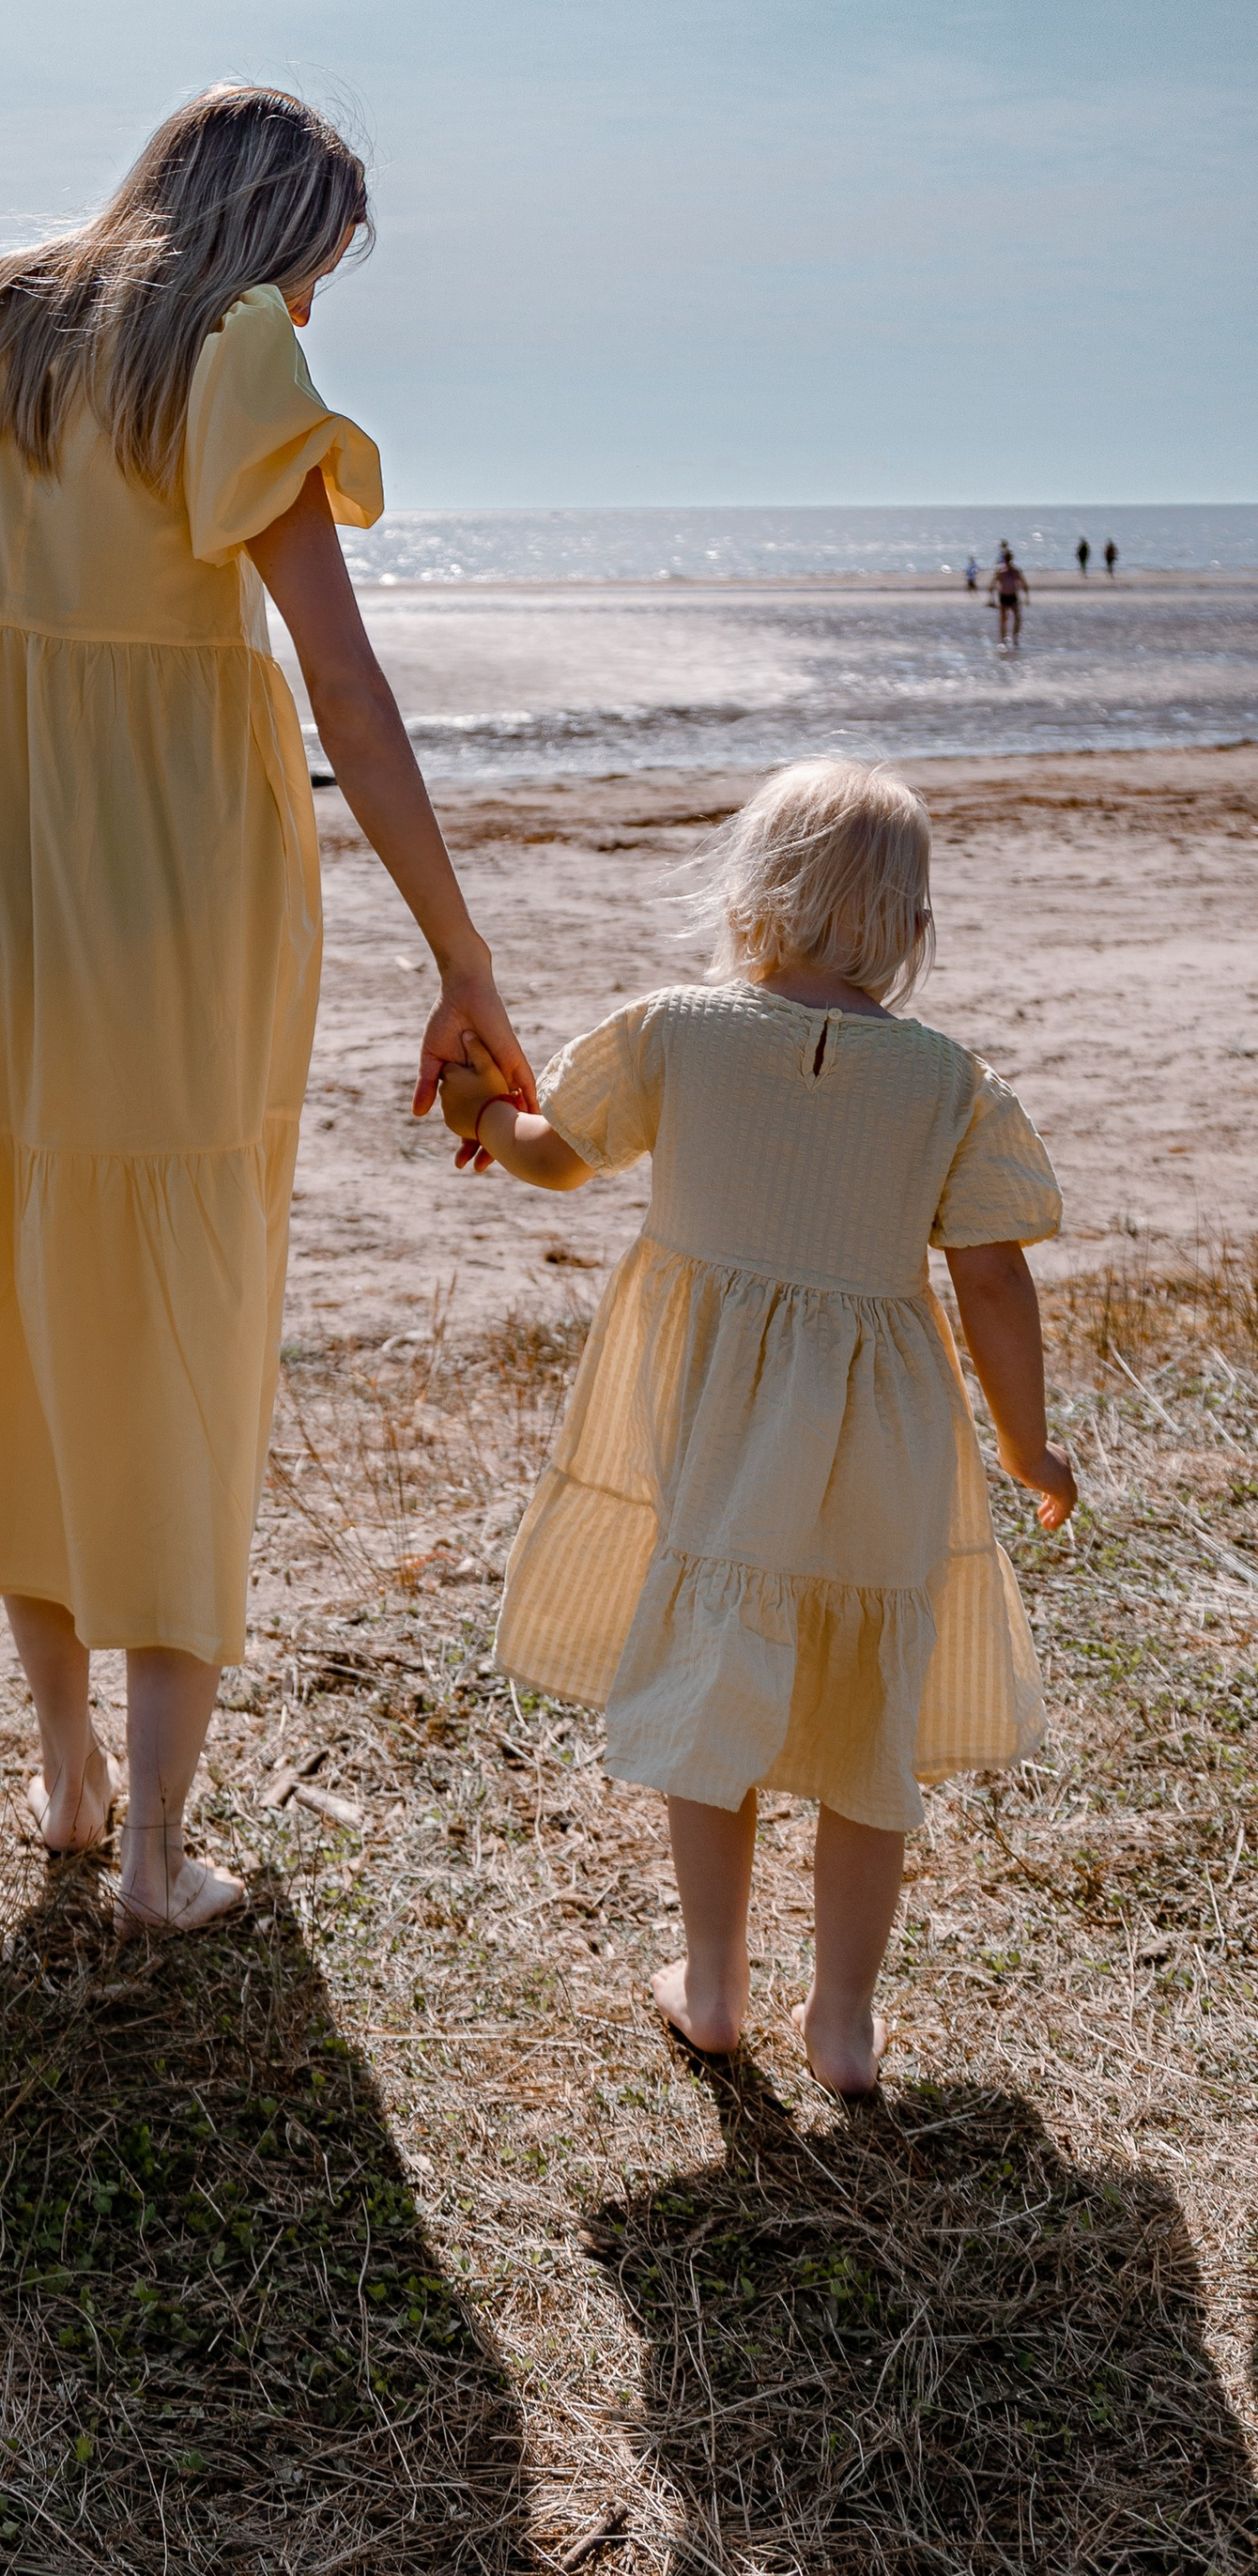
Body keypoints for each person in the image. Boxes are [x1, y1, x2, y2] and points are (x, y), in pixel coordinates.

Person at [0, 85, 534, 1930]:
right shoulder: (225, 354)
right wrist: (459, 954)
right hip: (176, 916)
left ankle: (63, 1786)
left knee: (21, 1309)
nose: (306, 314)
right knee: (170, 1337)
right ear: (270, 237)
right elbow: (346, 695)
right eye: (313, 275)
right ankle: (149, 1857)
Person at [435, 759, 1074, 2094]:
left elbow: (559, 1152)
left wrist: (481, 1110)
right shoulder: (948, 1082)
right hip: (883, 1436)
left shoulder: (676, 1031)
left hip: (719, 1426)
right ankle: (841, 2023)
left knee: (717, 1675)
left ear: (750, 894)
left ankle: (714, 1983)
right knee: (865, 1719)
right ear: (906, 931)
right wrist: (1024, 1447)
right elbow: (995, 1278)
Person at [991, 541, 1027, 650]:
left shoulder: (1015, 571)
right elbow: (993, 584)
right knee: (1003, 619)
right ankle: (1003, 639)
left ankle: (1015, 638)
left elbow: (1023, 583)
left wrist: (1027, 596)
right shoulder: (1001, 571)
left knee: (1017, 618)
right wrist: (991, 599)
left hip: (1013, 596)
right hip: (1004, 596)